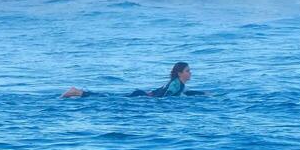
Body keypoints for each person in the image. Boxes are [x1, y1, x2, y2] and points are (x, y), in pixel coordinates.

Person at [63, 62, 200, 99]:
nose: (190, 73)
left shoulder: (178, 83)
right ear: (180, 73)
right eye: (188, 70)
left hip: (143, 94)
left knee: (109, 97)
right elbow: (167, 96)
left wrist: (203, 94)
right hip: (142, 96)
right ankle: (78, 92)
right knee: (107, 97)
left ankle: (79, 93)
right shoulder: (176, 84)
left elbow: (184, 93)